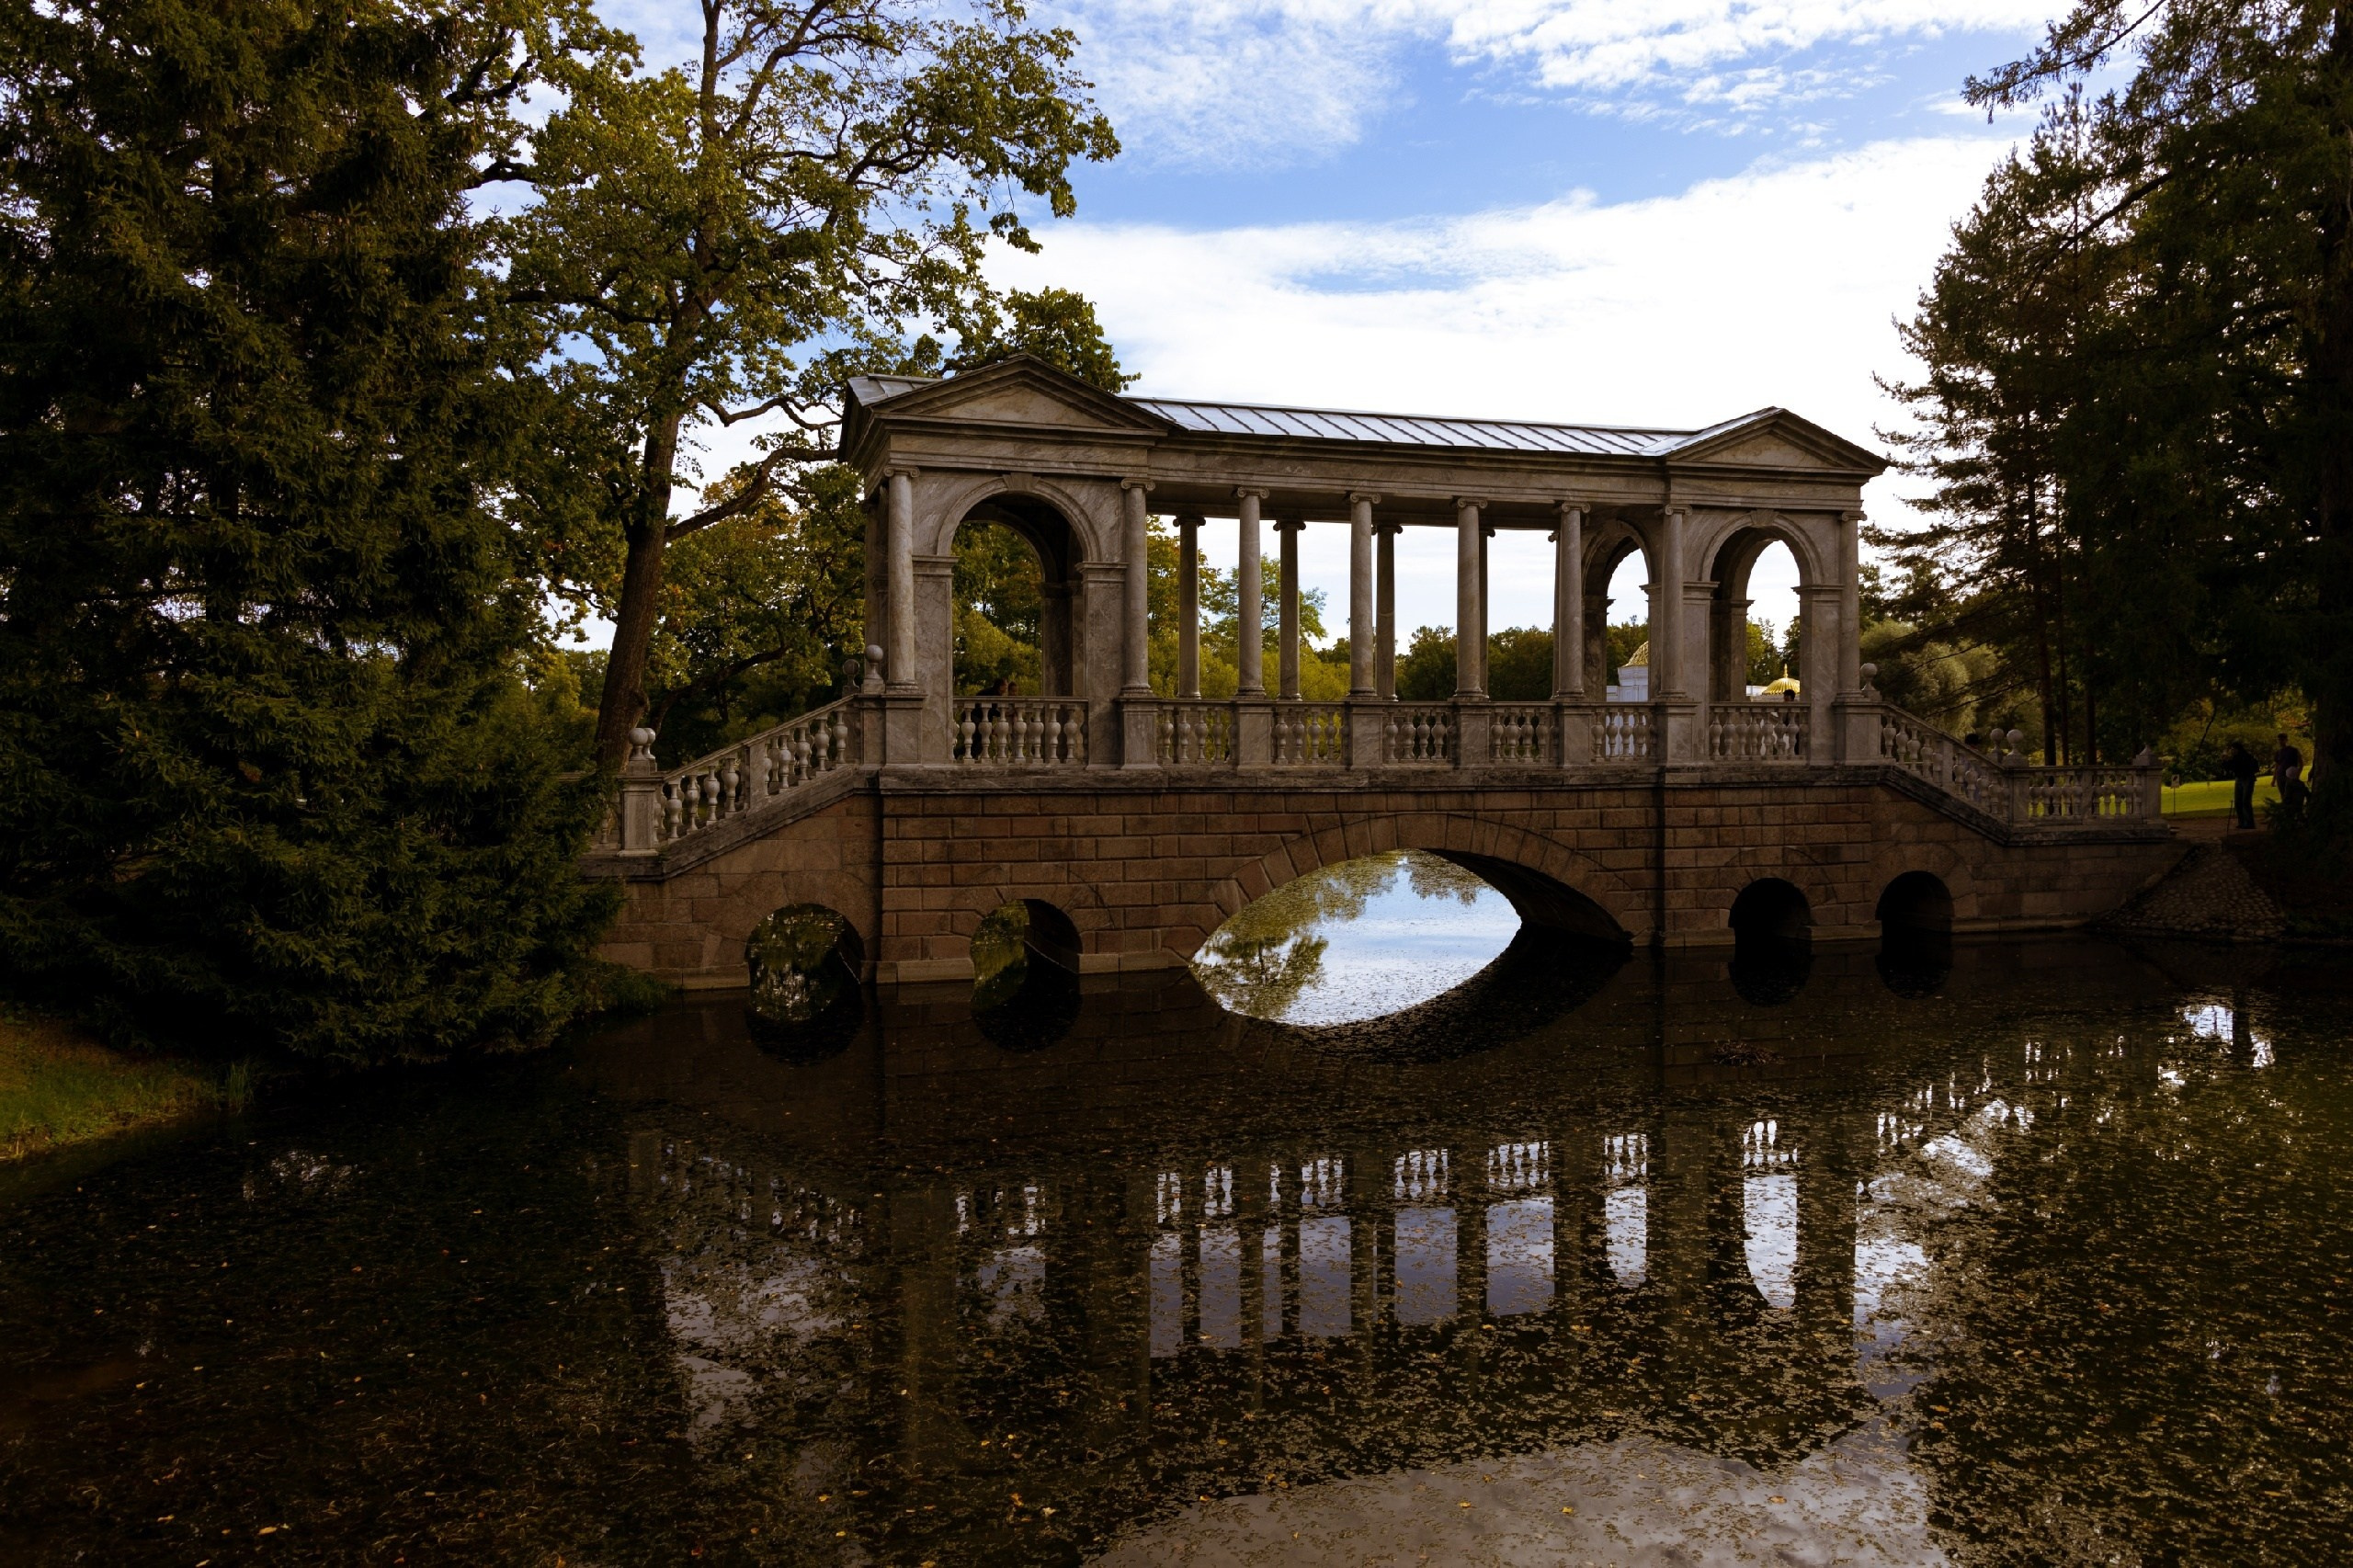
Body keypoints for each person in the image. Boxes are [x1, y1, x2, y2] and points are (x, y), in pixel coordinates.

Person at [2227, 740, 2259, 830]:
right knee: (2238, 802)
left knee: (2245, 800)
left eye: (2233, 749)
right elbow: (2231, 768)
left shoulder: (2246, 757)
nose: (2232, 751)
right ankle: (2242, 822)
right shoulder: (2235, 758)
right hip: (2239, 779)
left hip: (2247, 779)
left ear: (2237, 749)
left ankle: (2249, 822)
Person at [2274, 733, 2308, 816]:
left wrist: (2298, 774)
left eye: (2282, 739)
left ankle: (2294, 813)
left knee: (2291, 794)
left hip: (2290, 775)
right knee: (2283, 795)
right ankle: (2286, 813)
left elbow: (2301, 762)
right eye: (2279, 740)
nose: (2280, 741)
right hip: (2280, 775)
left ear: (2286, 740)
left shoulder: (2293, 750)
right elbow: (2277, 765)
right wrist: (2274, 779)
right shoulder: (2278, 752)